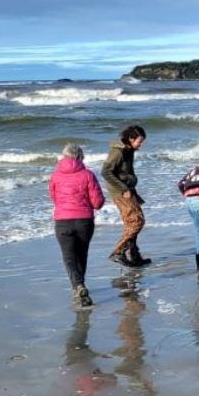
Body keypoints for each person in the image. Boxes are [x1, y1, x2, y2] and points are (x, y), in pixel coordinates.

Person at [49, 143, 105, 308]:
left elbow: (53, 197)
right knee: (81, 254)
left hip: (62, 221)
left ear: (64, 156)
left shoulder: (55, 175)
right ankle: (80, 285)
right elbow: (97, 202)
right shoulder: (88, 174)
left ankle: (78, 287)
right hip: (84, 221)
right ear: (80, 157)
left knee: (69, 257)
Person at [102, 125, 150, 267]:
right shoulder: (118, 152)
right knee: (137, 222)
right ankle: (118, 252)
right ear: (130, 139)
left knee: (133, 222)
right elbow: (105, 172)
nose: (141, 145)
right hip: (121, 191)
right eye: (139, 141)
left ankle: (134, 255)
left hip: (128, 189)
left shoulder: (129, 150)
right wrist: (123, 189)